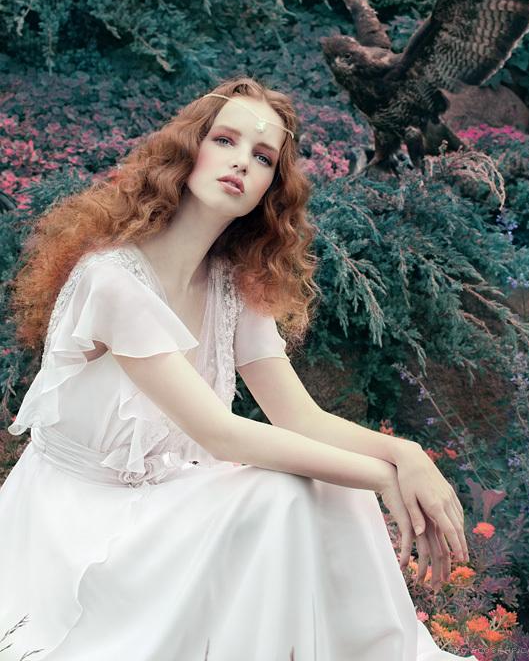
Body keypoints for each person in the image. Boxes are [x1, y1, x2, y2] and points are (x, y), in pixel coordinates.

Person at [0, 76, 477, 660]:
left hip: (165, 499)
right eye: (225, 140)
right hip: (78, 523)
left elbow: (301, 419)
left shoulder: (231, 285)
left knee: (330, 486)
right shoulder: (113, 280)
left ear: (270, 189)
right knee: (286, 495)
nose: (241, 162)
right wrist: (381, 478)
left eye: (263, 157)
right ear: (188, 150)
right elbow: (220, 434)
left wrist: (407, 455)